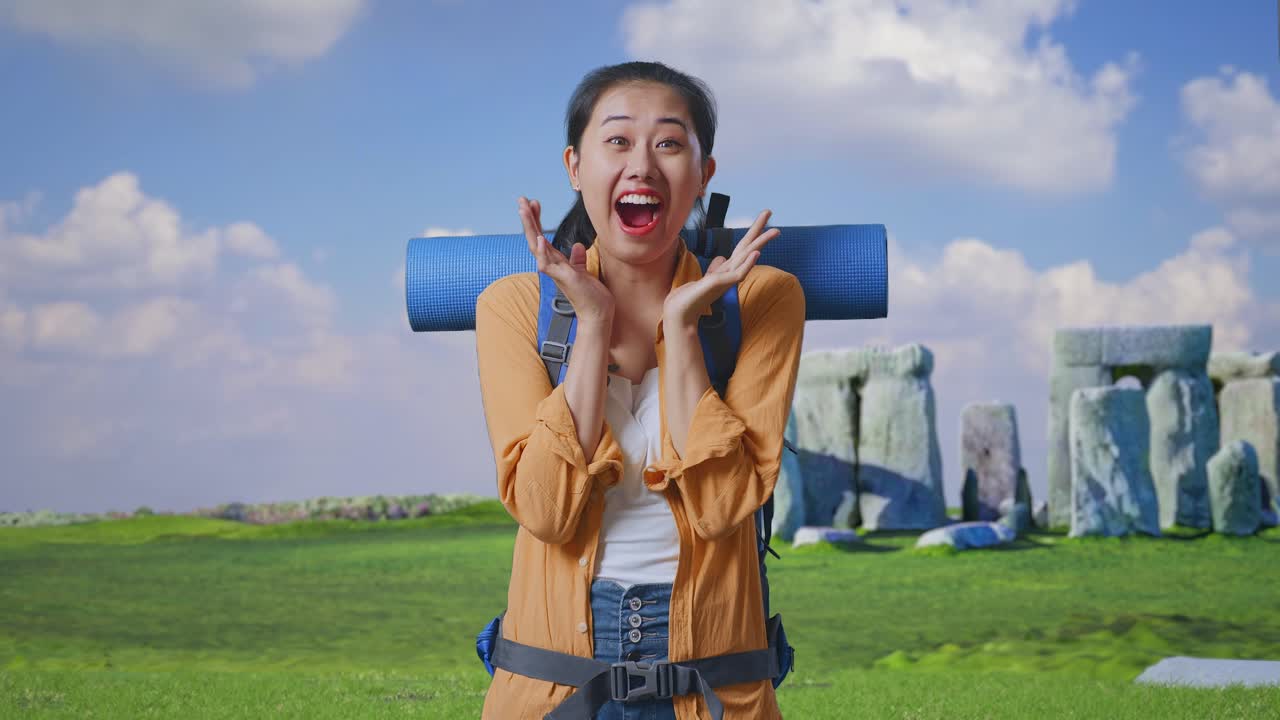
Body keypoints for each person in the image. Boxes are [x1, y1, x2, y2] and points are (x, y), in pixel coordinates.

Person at [475, 61, 805, 719]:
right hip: (551, 691)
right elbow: (545, 511)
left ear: (704, 173)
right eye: (619, 141)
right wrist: (591, 324)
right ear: (576, 166)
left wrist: (682, 327)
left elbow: (721, 506)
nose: (643, 166)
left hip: (716, 689)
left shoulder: (764, 299)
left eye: (670, 143)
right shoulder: (512, 306)